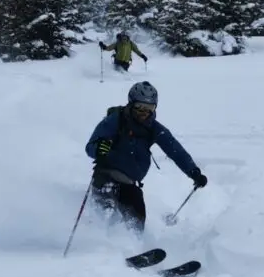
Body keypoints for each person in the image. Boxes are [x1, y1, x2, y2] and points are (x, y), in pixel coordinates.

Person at [84, 81, 207, 233]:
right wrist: (99, 149)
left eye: (149, 108)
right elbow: (90, 147)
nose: (144, 113)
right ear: (131, 104)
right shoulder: (115, 120)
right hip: (105, 176)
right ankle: (92, 245)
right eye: (140, 107)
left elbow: (175, 150)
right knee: (105, 214)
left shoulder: (154, 128)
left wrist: (193, 171)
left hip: (129, 183)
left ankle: (131, 248)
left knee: (136, 218)